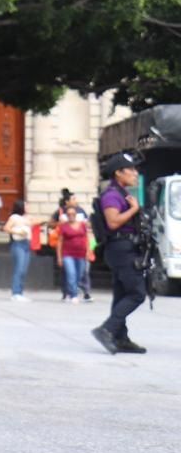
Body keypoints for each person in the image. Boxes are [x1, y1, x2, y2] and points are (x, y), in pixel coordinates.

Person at [91, 152, 147, 354]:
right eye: (130, 170)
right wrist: (133, 209)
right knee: (137, 293)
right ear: (118, 173)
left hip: (125, 248)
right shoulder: (112, 195)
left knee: (122, 293)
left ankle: (120, 337)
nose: (135, 173)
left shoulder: (122, 193)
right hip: (120, 249)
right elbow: (113, 222)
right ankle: (106, 329)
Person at [56, 203, 92, 303]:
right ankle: (73, 295)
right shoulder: (63, 227)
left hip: (81, 254)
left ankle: (70, 291)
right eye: (69, 214)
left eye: (73, 214)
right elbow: (60, 242)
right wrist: (59, 257)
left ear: (76, 214)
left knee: (79, 274)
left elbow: (87, 239)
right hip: (67, 254)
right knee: (71, 273)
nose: (71, 215)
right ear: (66, 215)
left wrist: (88, 251)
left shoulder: (82, 225)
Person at [2, 201, 34, 301]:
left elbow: (33, 223)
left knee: (24, 269)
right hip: (18, 243)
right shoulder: (14, 217)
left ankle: (20, 292)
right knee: (19, 269)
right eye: (26, 205)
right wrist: (18, 232)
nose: (28, 207)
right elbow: (6, 228)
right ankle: (15, 292)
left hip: (27, 243)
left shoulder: (27, 218)